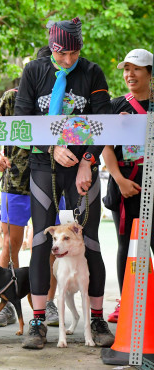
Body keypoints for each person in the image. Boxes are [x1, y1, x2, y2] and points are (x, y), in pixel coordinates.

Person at [15, 17, 114, 349]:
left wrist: (88, 160)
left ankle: (96, 319)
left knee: (91, 242)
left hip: (82, 168)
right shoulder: (34, 71)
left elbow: (104, 121)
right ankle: (39, 321)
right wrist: (50, 147)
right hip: (44, 165)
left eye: (74, 53)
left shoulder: (92, 72)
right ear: (51, 45)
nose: (69, 60)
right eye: (62, 53)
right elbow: (22, 119)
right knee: (44, 244)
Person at [0, 45, 62, 328]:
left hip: (54, 182)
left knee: (48, 244)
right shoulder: (12, 98)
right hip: (15, 181)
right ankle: (9, 302)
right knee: (10, 242)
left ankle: (49, 302)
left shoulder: (64, 101)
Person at [101, 48, 154, 323]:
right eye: (126, 69)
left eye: (137, 69)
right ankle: (126, 301)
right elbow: (106, 148)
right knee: (127, 245)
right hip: (125, 184)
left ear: (149, 74)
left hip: (152, 183)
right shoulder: (115, 105)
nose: (129, 74)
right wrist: (119, 180)